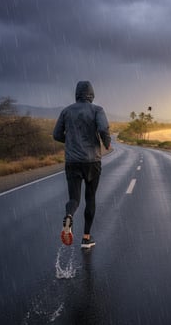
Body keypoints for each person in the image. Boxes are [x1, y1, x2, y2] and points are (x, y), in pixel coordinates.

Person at [53, 81, 111, 248]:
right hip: (92, 162)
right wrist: (106, 143)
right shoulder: (97, 110)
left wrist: (71, 141)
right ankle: (86, 238)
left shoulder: (66, 111)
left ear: (77, 93)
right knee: (90, 198)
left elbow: (56, 134)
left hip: (72, 162)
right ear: (91, 94)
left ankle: (69, 215)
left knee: (74, 199)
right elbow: (103, 128)